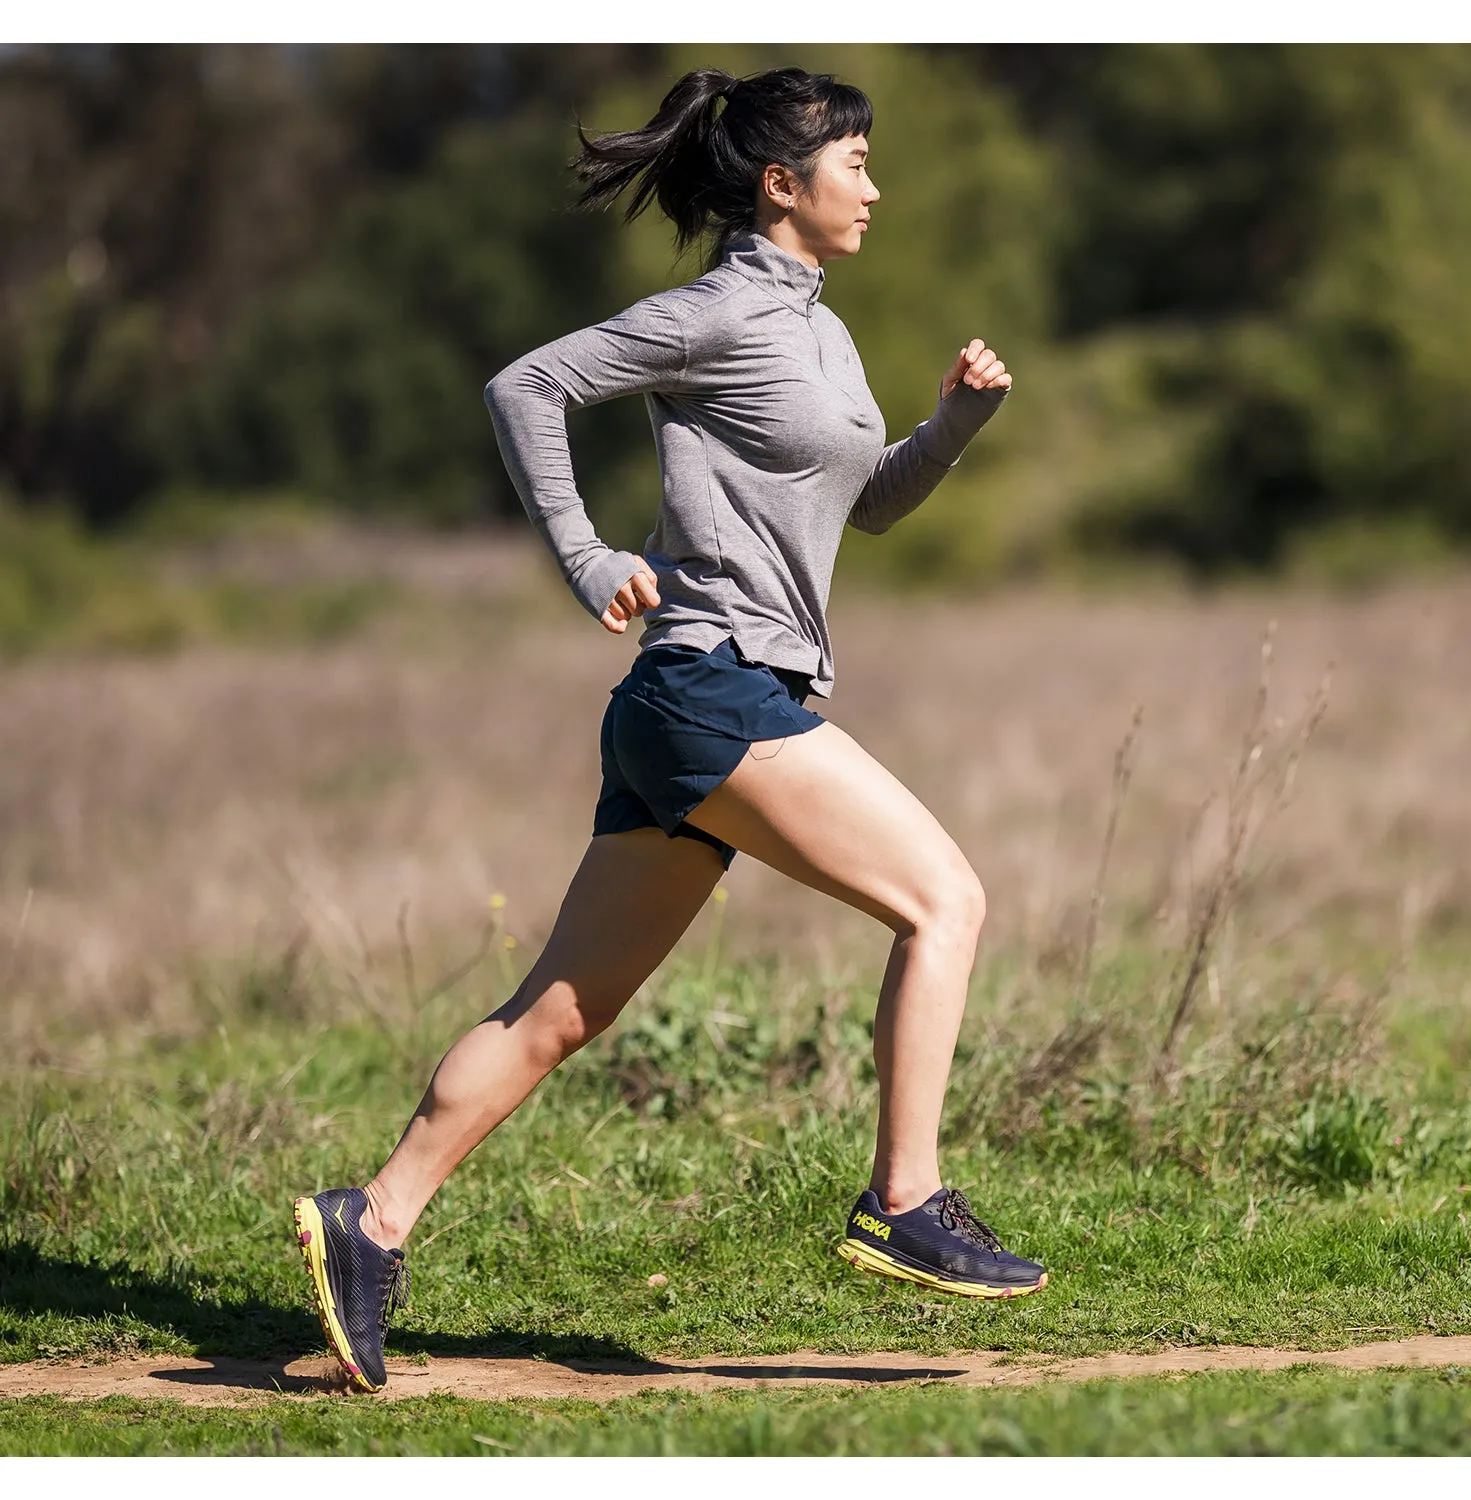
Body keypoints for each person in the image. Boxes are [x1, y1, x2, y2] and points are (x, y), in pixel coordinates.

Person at [293, 63, 1046, 1395]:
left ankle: (373, 1221)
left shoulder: (819, 329)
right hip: (712, 689)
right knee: (947, 902)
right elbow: (526, 388)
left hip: (696, 704)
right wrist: (585, 554)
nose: (874, 185)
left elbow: (861, 508)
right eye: (855, 162)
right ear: (781, 185)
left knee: (556, 1015)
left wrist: (956, 427)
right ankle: (905, 1200)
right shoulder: (713, 312)